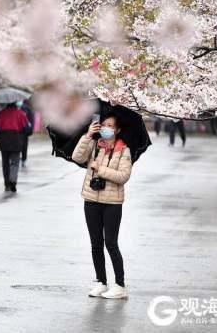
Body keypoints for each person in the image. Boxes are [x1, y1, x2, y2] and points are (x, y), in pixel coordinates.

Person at [72, 112, 132, 299]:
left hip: (112, 203)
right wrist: (88, 135)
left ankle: (120, 285)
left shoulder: (124, 150)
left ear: (118, 130)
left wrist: (101, 170)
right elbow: (77, 157)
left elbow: (123, 176)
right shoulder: (95, 145)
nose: (106, 128)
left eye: (111, 126)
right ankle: (100, 281)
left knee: (111, 243)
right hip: (91, 200)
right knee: (95, 243)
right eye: (103, 125)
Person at [0, 102, 29, 193]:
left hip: (4, 139)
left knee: (5, 163)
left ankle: (7, 184)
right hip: (16, 139)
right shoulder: (20, 113)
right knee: (15, 162)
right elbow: (25, 127)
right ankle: (13, 181)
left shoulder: (1, 113)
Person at [18, 99, 35, 168]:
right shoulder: (28, 108)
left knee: (22, 146)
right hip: (23, 130)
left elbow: (31, 119)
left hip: (22, 130)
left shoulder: (26, 109)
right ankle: (22, 159)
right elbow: (32, 120)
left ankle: (23, 159)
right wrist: (30, 130)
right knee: (23, 146)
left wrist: (30, 130)